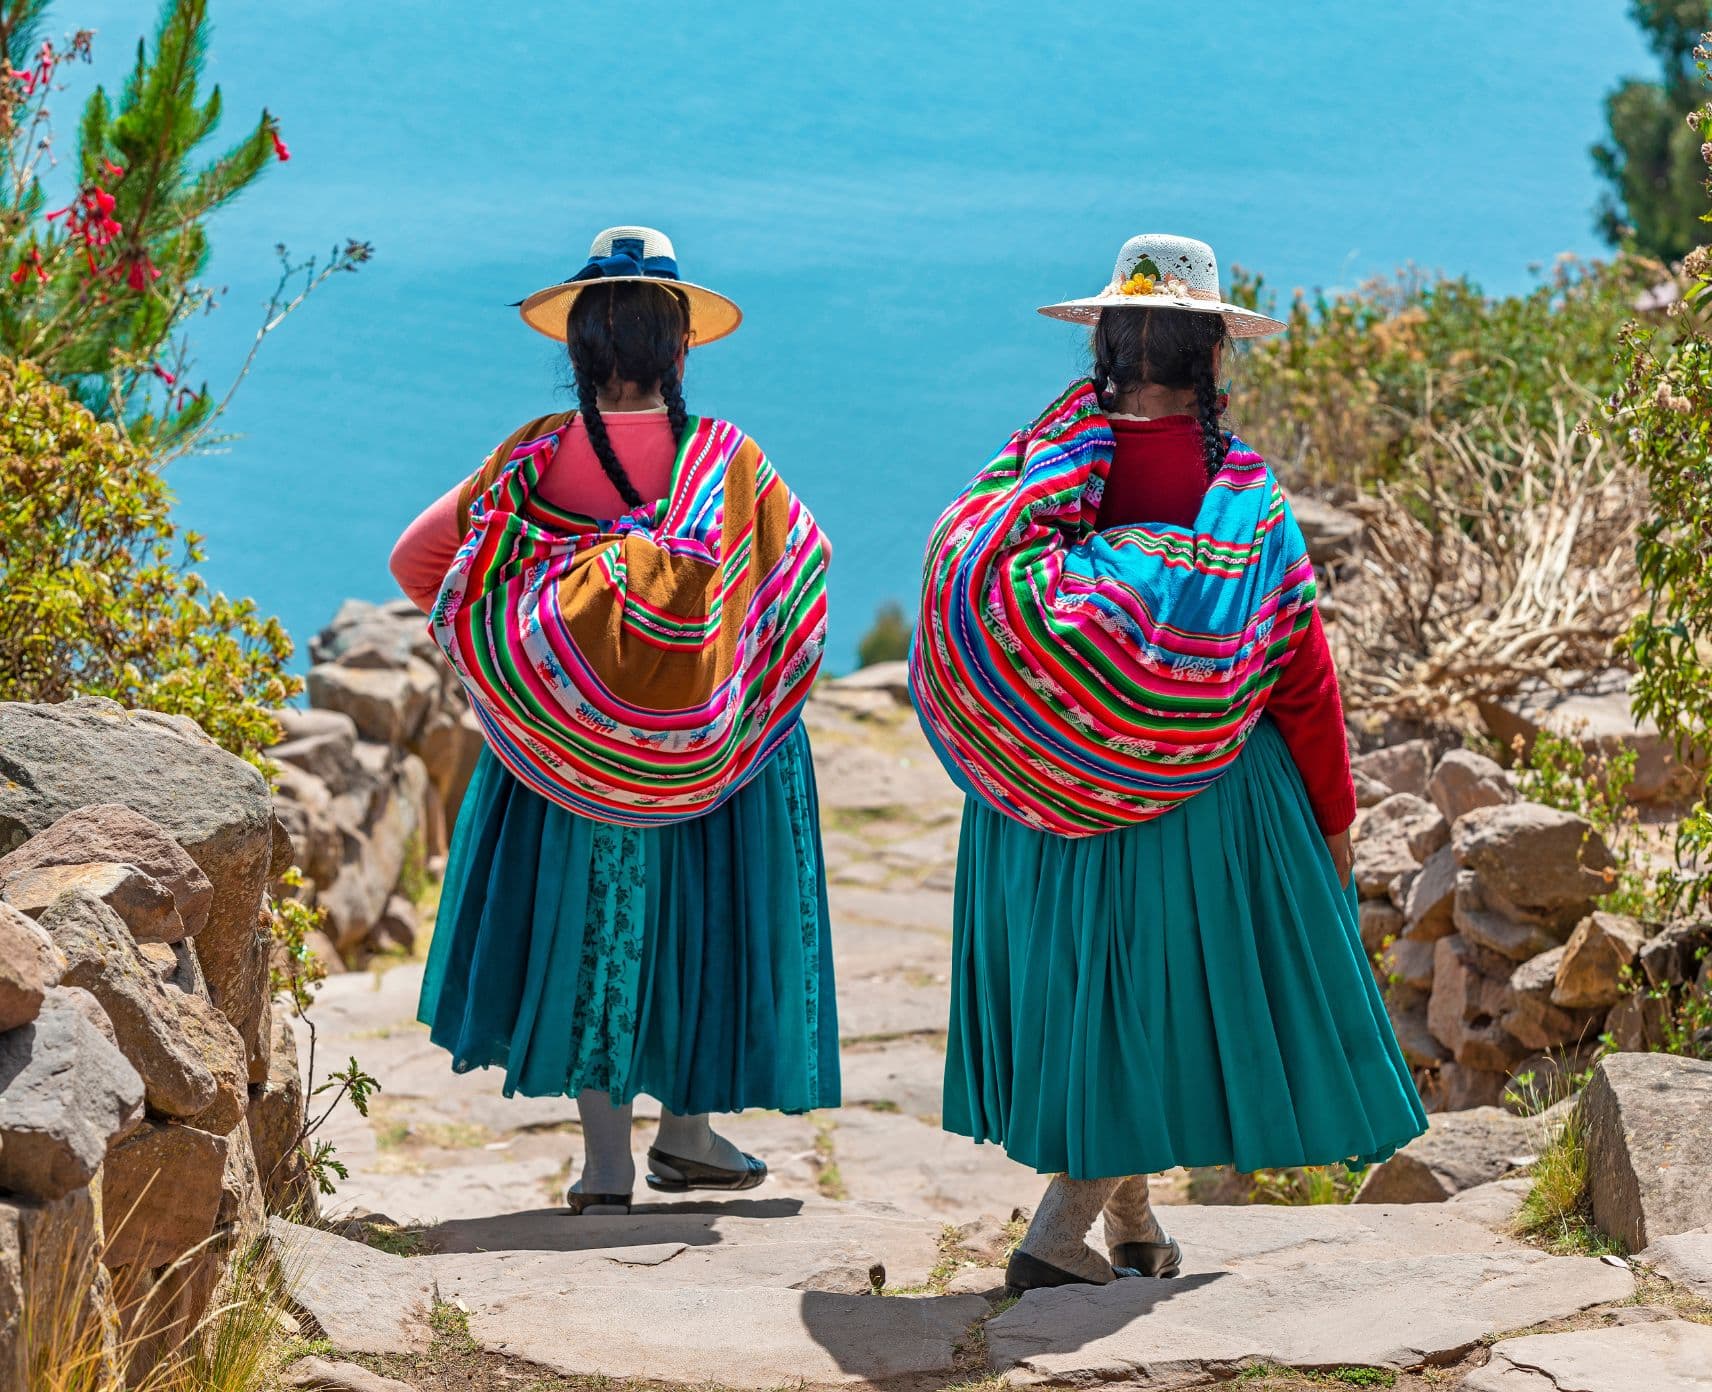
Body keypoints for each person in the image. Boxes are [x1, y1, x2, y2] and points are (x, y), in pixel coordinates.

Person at [911, 233, 1426, 1295]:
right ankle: (1058, 1232)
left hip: (1044, 801)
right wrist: (1332, 818)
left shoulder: (1033, 467)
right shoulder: (1239, 498)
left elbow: (964, 580)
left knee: (1094, 1001)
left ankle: (1132, 1219)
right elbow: (1300, 673)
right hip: (1200, 799)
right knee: (1151, 1003)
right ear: (1211, 357)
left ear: (1104, 344)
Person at [391, 226, 839, 1214]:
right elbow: (801, 579)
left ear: (578, 350)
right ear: (679, 351)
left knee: (594, 928)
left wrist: (526, 666)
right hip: (711, 761)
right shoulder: (729, 462)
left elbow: (417, 563)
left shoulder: (531, 462)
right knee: (699, 921)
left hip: (566, 762)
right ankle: (687, 1133)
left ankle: (605, 1165)